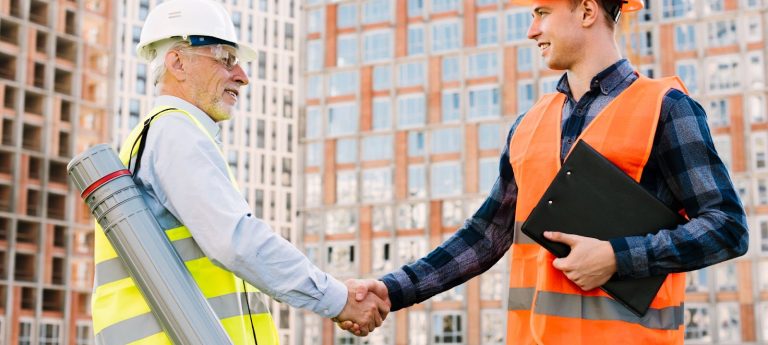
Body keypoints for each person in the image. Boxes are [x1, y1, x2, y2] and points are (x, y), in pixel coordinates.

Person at [341, 0, 749, 343]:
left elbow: (727, 227)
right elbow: (487, 234)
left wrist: (617, 258)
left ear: (587, 11)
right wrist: (393, 290)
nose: (531, 30)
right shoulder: (529, 124)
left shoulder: (666, 108)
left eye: (541, 12)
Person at [91, 0, 389, 343]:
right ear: (178, 62)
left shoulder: (161, 134)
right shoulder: (175, 132)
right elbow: (236, 241)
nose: (242, 76)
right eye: (225, 59)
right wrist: (338, 299)